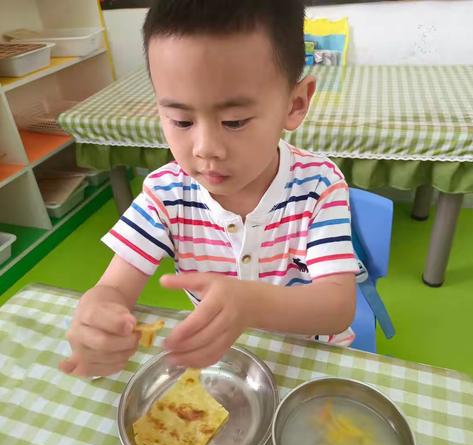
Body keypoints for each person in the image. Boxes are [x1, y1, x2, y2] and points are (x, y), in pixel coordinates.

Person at [60, 0, 358, 378]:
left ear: (295, 104)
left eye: (234, 121)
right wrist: (97, 315)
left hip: (310, 358)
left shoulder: (319, 185)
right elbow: (112, 290)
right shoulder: (165, 194)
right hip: (223, 362)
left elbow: (337, 306)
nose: (205, 149)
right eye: (181, 121)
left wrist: (251, 303)